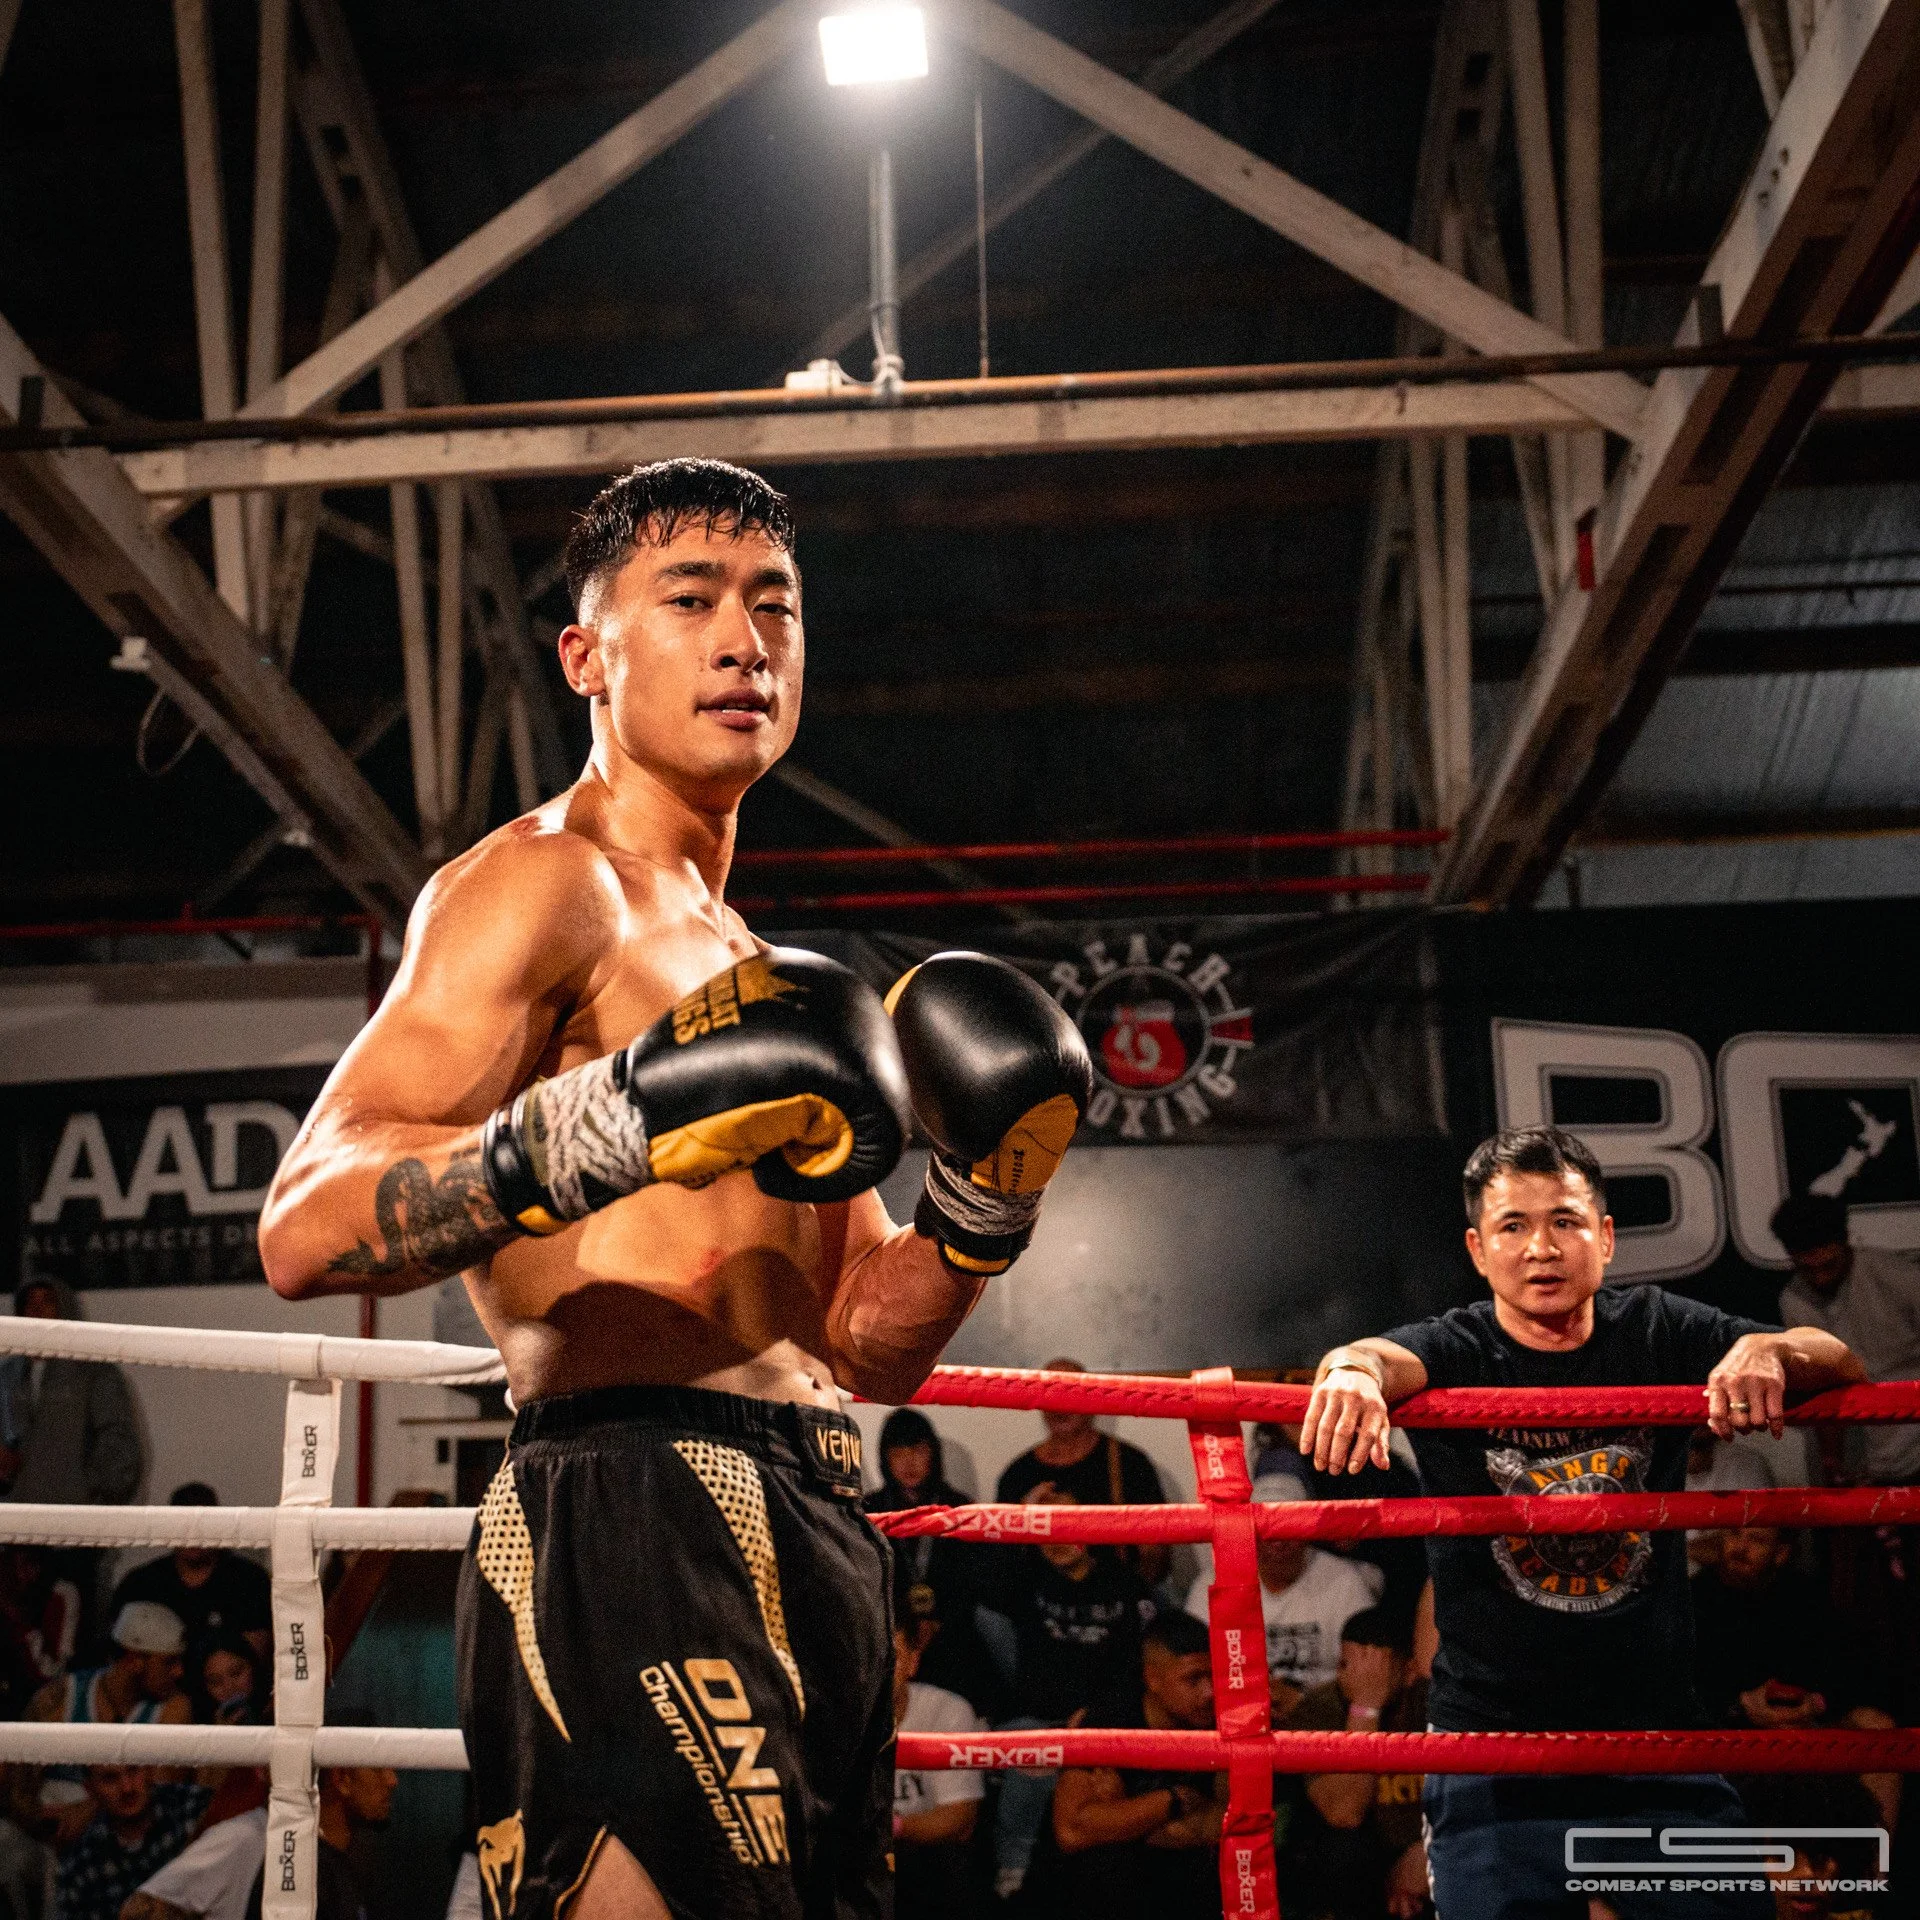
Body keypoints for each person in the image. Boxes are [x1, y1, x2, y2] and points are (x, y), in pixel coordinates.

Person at [256, 458, 1093, 1920]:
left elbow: (864, 1346)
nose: (744, 639)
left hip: (820, 1526)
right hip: (629, 1504)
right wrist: (606, 1128)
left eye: (775, 605)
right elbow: (307, 1222)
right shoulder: (541, 884)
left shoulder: (763, 982)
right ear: (587, 654)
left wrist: (983, 1201)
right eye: (691, 598)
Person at [1299, 1125, 1866, 1920]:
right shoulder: (1459, 1346)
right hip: (1495, 1745)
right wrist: (1353, 1372)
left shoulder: (1658, 1328)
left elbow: (1837, 1356)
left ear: (1603, 1237)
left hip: (1654, 1731)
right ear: (1477, 1248)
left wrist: (1769, 1351)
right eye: (1513, 1226)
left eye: (1564, 1221)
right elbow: (1378, 1356)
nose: (1542, 1248)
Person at [1771, 1190, 1920, 1718]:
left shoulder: (1899, 1277)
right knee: (1878, 1609)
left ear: (1845, 1242)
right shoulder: (1795, 1299)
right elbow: (1818, 1390)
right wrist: (1834, 1468)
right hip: (1859, 1469)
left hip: (1917, 1454)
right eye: (1807, 1267)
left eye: (1829, 1264)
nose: (1819, 1277)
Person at [988, 1488, 1153, 1900]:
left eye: (1069, 1526)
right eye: (1049, 1530)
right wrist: (1022, 1519)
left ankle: (1024, 1874)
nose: (1059, 1540)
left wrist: (1098, 1713)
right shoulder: (1028, 1580)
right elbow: (979, 1587)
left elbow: (1141, 1667)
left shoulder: (1123, 1584)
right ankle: (1014, 1869)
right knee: (1027, 1752)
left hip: (1104, 1723)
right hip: (1036, 1719)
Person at [1691, 1525, 1898, 1830]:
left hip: (1805, 1729)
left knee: (1878, 1730)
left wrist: (1815, 1704)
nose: (1740, 1547)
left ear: (1781, 1553)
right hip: (1727, 1729)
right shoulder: (1695, 1598)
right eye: (1734, 1534)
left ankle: (1872, 1874)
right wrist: (1739, 1705)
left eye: (1757, 1539)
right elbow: (1680, 1686)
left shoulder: (1804, 1597)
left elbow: (1855, 1672)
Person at [1037, 1609, 1227, 1920]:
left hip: (1177, 1888)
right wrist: (1173, 1799)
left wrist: (1122, 1811)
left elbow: (1219, 1827)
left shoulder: (1221, 1724)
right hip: (1092, 1893)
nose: (1210, 1692)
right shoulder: (1109, 1723)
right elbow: (1072, 1831)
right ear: (1153, 1678)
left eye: (1214, 1676)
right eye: (1193, 1679)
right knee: (1106, 1863)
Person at [1183, 1471, 1379, 1714]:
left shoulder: (1344, 1583)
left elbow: (1371, 1672)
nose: (1277, 1538)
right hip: (1239, 1711)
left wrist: (1307, 1702)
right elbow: (1190, 1669)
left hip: (1326, 1717)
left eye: (1289, 1524)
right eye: (1266, 1526)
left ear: (1308, 1528)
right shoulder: (1212, 1585)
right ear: (1247, 1531)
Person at [1280, 1609, 1429, 1920]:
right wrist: (1366, 1707)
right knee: (1344, 1851)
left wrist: (1427, 1853)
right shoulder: (1320, 1710)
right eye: (1347, 1664)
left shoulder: (1431, 1705)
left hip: (1426, 1857)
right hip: (1352, 1873)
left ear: (1410, 1670)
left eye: (1377, 1668)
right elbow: (1344, 1811)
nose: (1357, 1677)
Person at [119, 1759, 396, 1920]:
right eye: (378, 1768)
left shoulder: (344, 1854)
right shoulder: (248, 1837)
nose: (392, 1780)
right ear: (342, 1778)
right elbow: (137, 1912)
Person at [863, 1407, 1003, 1717]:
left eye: (918, 1450)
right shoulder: (869, 1508)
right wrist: (904, 1626)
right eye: (898, 1452)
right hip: (892, 1630)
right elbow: (866, 1578)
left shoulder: (959, 1507)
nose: (908, 1462)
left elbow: (975, 1579)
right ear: (885, 1458)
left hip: (951, 1630)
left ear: (933, 1454)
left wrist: (938, 1621)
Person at [995, 1360, 1169, 1585]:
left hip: (1116, 1601)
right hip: (1039, 1609)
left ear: (1090, 1397)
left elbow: (1156, 1559)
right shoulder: (1018, 1473)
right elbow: (1002, 1563)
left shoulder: (1129, 1463)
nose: (1059, 1405)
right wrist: (1023, 1521)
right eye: (1049, 1393)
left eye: (1069, 1391)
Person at [890, 1583, 986, 1920]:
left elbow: (959, 1817)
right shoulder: (832, 1713)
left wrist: (892, 1827)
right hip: (855, 1853)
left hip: (920, 1857)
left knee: (944, 1863)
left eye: (893, 1657)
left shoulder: (947, 1709)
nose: (880, 1669)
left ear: (912, 1662)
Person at [111, 1489, 270, 1663]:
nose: (192, 1534)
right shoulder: (141, 1583)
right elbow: (119, 1659)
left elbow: (253, 1661)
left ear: (218, 1525)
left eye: (202, 1524)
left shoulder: (249, 1581)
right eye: (183, 1525)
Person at [53, 1768, 205, 1920]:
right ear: (90, 1789)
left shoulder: (191, 1805)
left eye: (133, 1770)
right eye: (110, 1778)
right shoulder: (80, 1865)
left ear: (148, 1770)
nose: (127, 1788)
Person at [28, 1603, 191, 1733]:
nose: (179, 1672)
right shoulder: (61, 1698)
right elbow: (16, 1769)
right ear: (135, 1661)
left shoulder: (173, 1710)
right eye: (169, 1662)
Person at [0, 1545, 81, 1716]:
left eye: (31, 1563)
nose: (25, 1573)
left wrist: (19, 1622)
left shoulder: (60, 1594)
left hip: (32, 1702)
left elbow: (52, 1674)